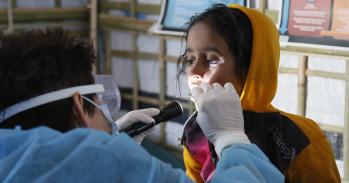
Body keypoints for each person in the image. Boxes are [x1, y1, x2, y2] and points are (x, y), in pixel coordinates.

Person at [0, 28, 284, 182]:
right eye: (101, 104)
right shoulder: (102, 161)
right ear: (78, 107)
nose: (197, 72)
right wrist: (231, 138)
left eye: (211, 59)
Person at [177, 4, 340, 183]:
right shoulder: (196, 130)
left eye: (211, 60)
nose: (194, 72)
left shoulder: (301, 139)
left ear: (253, 66)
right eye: (190, 59)